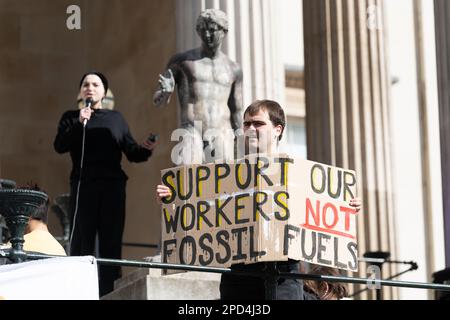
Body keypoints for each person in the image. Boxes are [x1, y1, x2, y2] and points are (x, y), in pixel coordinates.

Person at [156, 99, 362, 299]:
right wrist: (173, 200)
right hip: (239, 275)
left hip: (284, 275)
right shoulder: (226, 175)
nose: (251, 128)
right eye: (247, 123)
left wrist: (345, 205)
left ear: (277, 130)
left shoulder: (300, 174)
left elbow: (320, 211)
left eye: (259, 123)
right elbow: (204, 209)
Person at [54, 71, 157, 296]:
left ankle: (109, 290)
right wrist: (79, 123)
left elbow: (132, 152)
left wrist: (146, 147)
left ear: (104, 91)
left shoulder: (115, 119)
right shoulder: (71, 117)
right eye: (85, 84)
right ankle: (80, 291)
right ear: (81, 91)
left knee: (111, 239)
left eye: (95, 84)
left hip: (112, 186)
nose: (90, 88)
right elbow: (59, 145)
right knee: (82, 240)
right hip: (84, 186)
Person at [153, 8, 243, 164]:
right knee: (187, 179)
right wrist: (164, 93)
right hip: (191, 129)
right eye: (203, 30)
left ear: (224, 31)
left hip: (221, 131)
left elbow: (237, 110)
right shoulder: (182, 61)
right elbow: (158, 98)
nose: (207, 35)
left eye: (212, 30)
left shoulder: (234, 69)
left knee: (223, 185)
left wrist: (242, 140)